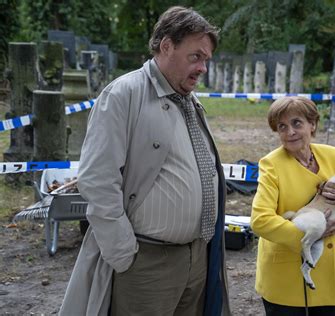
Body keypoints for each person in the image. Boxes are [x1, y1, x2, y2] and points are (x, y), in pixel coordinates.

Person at [60, 6, 231, 316]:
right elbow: (97, 179)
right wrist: (124, 253)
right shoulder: (123, 94)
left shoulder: (189, 100)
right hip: (147, 262)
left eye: (206, 59)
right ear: (166, 46)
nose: (203, 67)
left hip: (196, 258)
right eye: (196, 57)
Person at [251, 96, 335, 315]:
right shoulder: (271, 164)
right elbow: (260, 220)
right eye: (282, 126)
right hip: (289, 284)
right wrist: (310, 235)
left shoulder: (334, 154)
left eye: (297, 123)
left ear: (313, 124)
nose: (290, 131)